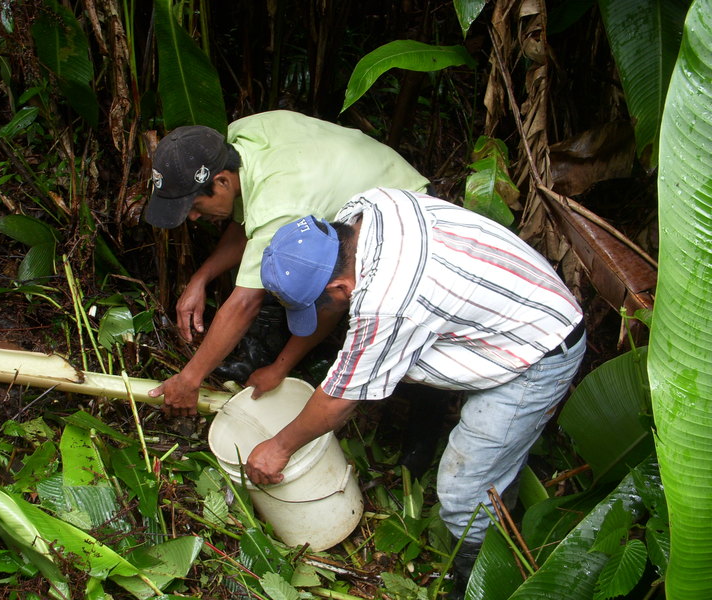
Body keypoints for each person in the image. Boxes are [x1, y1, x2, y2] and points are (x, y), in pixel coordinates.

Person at [245, 188, 586, 597]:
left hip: (536, 349)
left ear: (339, 287)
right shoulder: (364, 210)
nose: (320, 317)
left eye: (318, 307)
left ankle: (482, 582)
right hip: (517, 296)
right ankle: (497, 513)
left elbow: (338, 403)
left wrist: (279, 447)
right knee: (482, 470)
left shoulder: (387, 300)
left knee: (464, 496)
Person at [143, 111, 430, 416]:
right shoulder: (242, 138)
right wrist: (202, 278)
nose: (194, 217)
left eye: (196, 206)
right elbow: (250, 224)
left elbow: (246, 302)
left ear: (222, 181)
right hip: (368, 184)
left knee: (333, 295)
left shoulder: (280, 205)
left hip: (404, 220)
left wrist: (190, 380)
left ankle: (421, 423)